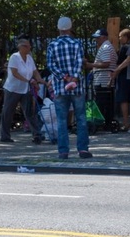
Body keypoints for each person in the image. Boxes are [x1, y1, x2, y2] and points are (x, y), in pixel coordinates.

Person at [46, 17, 92, 160]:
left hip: (60, 87)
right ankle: (83, 149)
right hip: (77, 87)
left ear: (59, 28)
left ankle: (63, 151)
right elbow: (80, 62)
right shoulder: (77, 43)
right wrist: (74, 77)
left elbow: (51, 65)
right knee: (81, 118)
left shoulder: (52, 45)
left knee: (61, 120)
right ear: (70, 28)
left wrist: (64, 77)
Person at [0, 39, 44, 144]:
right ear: (22, 47)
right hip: (13, 89)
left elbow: (35, 71)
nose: (30, 48)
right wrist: (28, 80)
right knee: (8, 112)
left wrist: (40, 80)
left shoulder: (29, 58)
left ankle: (36, 134)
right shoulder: (14, 57)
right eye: (28, 46)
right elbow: (14, 73)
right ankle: (5, 136)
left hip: (25, 89)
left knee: (29, 112)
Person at [110, 28, 130, 132]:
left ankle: (126, 123)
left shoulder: (124, 48)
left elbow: (120, 64)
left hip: (123, 76)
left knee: (124, 100)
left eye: (121, 36)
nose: (119, 38)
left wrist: (114, 74)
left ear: (126, 37)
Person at [89, 28, 117, 129]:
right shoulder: (106, 47)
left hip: (103, 81)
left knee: (102, 102)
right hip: (103, 80)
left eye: (98, 38)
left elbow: (106, 63)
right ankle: (106, 122)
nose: (96, 40)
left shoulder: (105, 47)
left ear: (104, 37)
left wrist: (90, 65)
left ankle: (101, 123)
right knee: (105, 102)